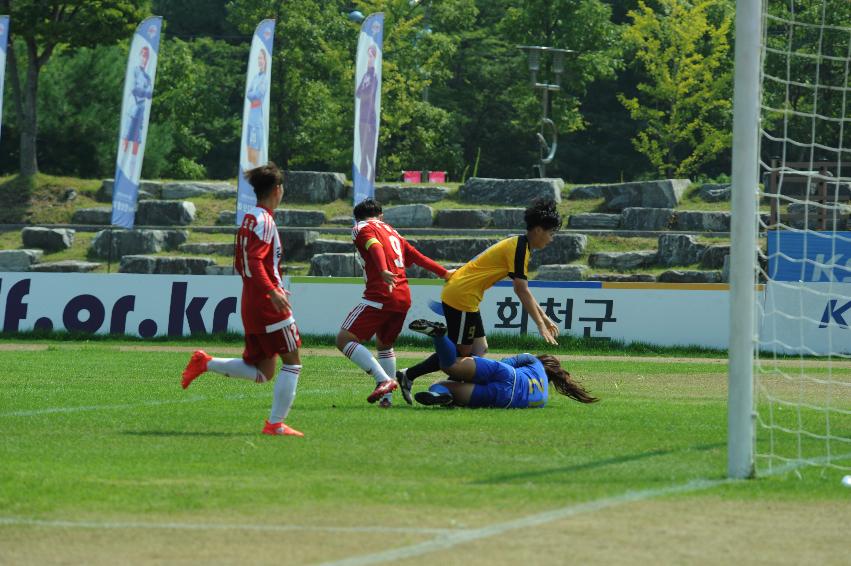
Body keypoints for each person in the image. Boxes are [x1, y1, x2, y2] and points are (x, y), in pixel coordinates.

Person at [397, 198, 563, 403]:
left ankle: (448, 389)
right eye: (550, 233)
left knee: (480, 349)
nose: (551, 238)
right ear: (538, 230)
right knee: (461, 354)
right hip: (463, 296)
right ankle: (413, 376)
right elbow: (521, 289)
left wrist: (544, 317)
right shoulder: (519, 247)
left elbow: (523, 289)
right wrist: (540, 324)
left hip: (464, 295)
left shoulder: (520, 245)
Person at [181, 162, 304, 437]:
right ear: (277, 189)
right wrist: (272, 291)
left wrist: (272, 287)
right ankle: (275, 425)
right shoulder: (264, 220)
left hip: (252, 300)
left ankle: (205, 363)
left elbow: (244, 262)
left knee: (264, 370)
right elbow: (254, 261)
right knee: (293, 361)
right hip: (266, 303)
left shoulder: (251, 218)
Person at [336, 197, 454, 407]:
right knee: (385, 345)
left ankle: (383, 380)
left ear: (357, 217)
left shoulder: (360, 227)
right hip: (403, 296)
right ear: (381, 215)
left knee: (344, 339)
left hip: (381, 293)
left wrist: (382, 269)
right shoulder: (392, 231)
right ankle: (387, 399)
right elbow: (416, 256)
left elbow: (374, 245)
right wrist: (444, 272)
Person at [408, 319, 598, 408]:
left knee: (450, 365)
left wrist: (469, 367)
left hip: (506, 373)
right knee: (440, 385)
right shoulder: (543, 398)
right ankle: (442, 396)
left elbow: (505, 363)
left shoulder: (533, 361)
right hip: (504, 400)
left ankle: (440, 336)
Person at [120, 45, 154, 178]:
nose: (145, 59)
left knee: (136, 141)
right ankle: (122, 168)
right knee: (126, 138)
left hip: (141, 109)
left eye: (147, 57)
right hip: (132, 106)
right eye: (143, 55)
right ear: (139, 56)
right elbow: (135, 89)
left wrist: (143, 92)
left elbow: (149, 94)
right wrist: (143, 92)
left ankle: (131, 173)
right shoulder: (134, 71)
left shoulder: (148, 77)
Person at [355, 45, 379, 184]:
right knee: (362, 151)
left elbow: (369, 96)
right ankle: (362, 179)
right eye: (368, 55)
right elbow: (359, 93)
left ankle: (371, 179)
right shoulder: (365, 76)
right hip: (361, 118)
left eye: (371, 56)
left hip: (370, 119)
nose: (369, 59)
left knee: (369, 150)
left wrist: (364, 95)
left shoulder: (374, 75)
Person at [245, 48, 269, 168]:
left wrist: (253, 95)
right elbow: (249, 93)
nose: (259, 60)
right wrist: (253, 95)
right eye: (258, 58)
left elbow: (258, 95)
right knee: (248, 151)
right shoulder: (255, 78)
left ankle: (256, 177)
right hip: (250, 119)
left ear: (265, 60)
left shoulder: (265, 78)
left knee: (255, 155)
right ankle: (249, 178)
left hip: (257, 122)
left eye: (261, 58)